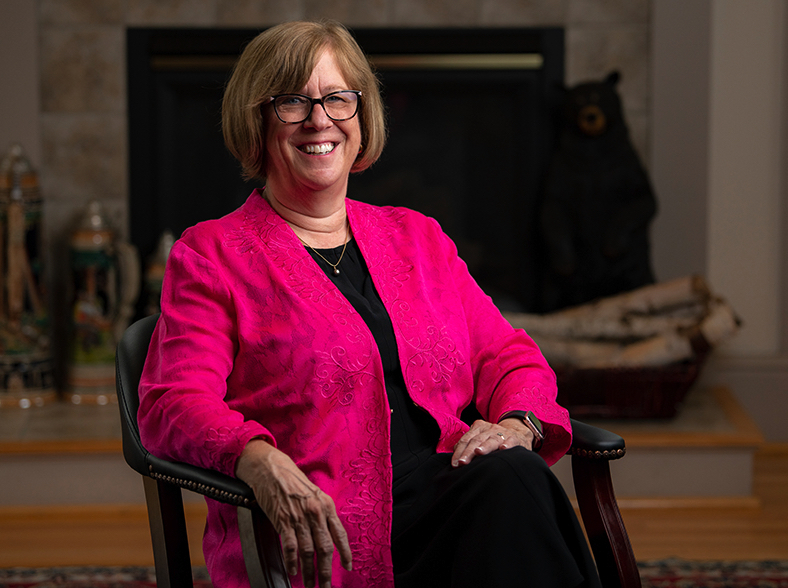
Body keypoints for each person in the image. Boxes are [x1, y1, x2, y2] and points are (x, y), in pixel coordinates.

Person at [138, 19, 602, 588]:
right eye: (292, 102)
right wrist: (257, 459)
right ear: (256, 121)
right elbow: (172, 400)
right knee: (514, 489)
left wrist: (518, 424)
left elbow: (508, 356)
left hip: (454, 496)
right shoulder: (212, 253)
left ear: (361, 116)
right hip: (325, 532)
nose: (319, 120)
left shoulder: (417, 237)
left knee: (511, 472)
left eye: (338, 98)